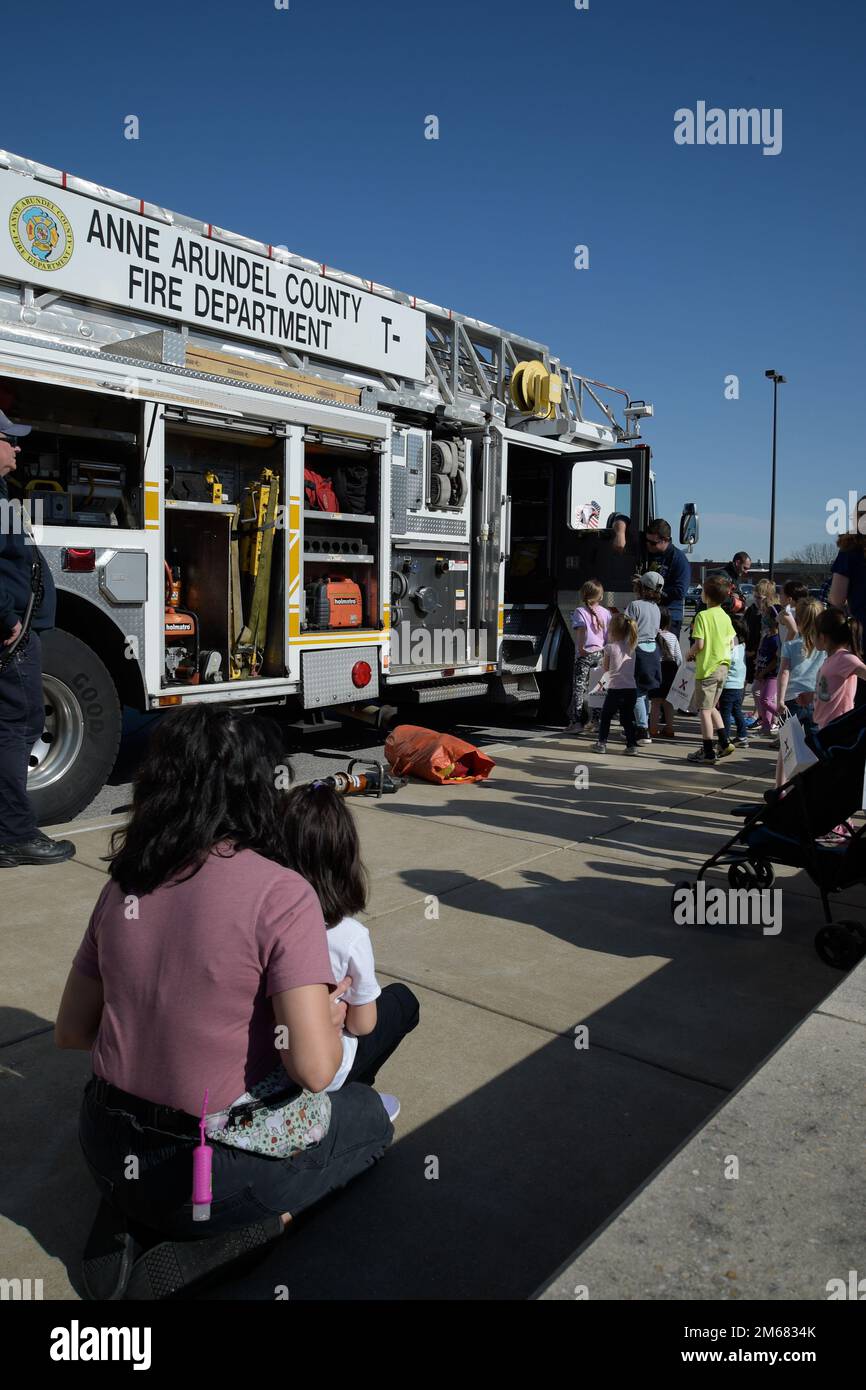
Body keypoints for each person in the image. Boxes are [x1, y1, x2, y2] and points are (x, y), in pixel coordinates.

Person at [56, 706, 415, 1292]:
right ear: (260, 788)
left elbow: (71, 1031)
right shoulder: (281, 893)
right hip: (208, 1172)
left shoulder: (123, 883)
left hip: (105, 1142)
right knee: (371, 1125)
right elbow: (316, 1070)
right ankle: (230, 1242)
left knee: (152, 1161)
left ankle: (129, 1214)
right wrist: (323, 1018)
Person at [281, 780, 418, 1117]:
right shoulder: (350, 936)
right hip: (324, 1064)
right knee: (403, 1002)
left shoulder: (267, 922)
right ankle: (355, 1094)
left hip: (274, 1058)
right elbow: (361, 1025)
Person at [0, 410, 74, 867]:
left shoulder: (4, 493)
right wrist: (5, 617)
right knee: (17, 727)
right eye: (10, 439)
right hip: (10, 635)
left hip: (17, 627)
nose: (18, 447)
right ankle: (14, 835)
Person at [685, 575, 735, 765]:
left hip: (707, 669)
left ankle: (708, 751)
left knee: (704, 711)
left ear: (706, 595)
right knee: (712, 706)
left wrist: (689, 654)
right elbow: (731, 643)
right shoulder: (725, 616)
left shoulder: (702, 616)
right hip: (723, 667)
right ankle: (724, 742)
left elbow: (699, 644)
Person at [568, 579, 611, 734]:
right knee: (597, 689)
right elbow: (608, 637)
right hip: (600, 654)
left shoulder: (580, 611)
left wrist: (580, 649)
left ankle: (576, 722)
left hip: (584, 654)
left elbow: (580, 633)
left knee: (579, 688)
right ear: (600, 596)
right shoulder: (606, 613)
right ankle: (595, 722)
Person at [593, 613, 639, 755]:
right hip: (631, 689)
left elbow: (606, 669)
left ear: (612, 631)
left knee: (606, 716)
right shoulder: (632, 648)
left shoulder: (610, 648)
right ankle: (631, 745)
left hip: (615, 689)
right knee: (627, 718)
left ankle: (601, 744)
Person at [813, 608, 866, 728]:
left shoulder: (844, 658)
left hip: (838, 729)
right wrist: (811, 695)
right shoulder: (831, 659)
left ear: (822, 637)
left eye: (813, 632)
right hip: (825, 727)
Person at [626, 571, 663, 742]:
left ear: (640, 587)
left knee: (637, 692)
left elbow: (627, 627)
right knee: (645, 692)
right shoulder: (656, 608)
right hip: (653, 651)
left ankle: (642, 728)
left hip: (638, 650)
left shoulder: (634, 605)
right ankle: (641, 723)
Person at [777, 597, 825, 723]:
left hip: (792, 698)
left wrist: (780, 700)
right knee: (815, 740)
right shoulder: (827, 646)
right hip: (817, 698)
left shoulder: (789, 645)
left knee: (790, 741)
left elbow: (784, 673)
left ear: (797, 620)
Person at [644, 519, 690, 638]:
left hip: (669, 617)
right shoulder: (648, 553)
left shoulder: (679, 559)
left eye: (652, 543)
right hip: (649, 614)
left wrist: (657, 592)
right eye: (646, 541)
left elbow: (680, 591)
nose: (648, 545)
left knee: (666, 655)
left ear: (665, 540)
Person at [649, 607, 682, 739]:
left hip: (656, 670)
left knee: (655, 702)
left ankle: (653, 729)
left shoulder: (651, 636)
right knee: (669, 703)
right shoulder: (673, 637)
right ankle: (669, 729)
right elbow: (679, 658)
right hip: (670, 671)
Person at [718, 616, 750, 747]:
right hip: (739, 685)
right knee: (737, 710)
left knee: (725, 713)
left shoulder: (730, 645)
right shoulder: (742, 645)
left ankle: (724, 738)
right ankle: (742, 736)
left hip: (728, 684)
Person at [754, 597, 781, 735]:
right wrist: (758, 670)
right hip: (763, 673)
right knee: (762, 699)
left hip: (772, 675)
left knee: (765, 700)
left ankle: (784, 716)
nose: (764, 618)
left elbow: (775, 661)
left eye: (767, 616)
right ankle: (766, 727)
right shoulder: (766, 636)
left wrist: (764, 671)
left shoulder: (777, 639)